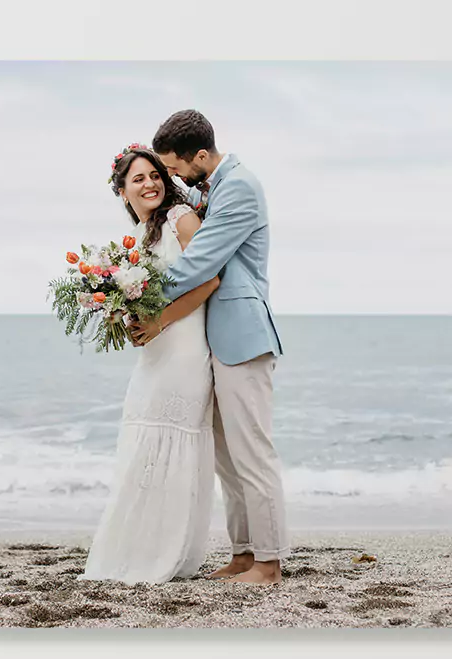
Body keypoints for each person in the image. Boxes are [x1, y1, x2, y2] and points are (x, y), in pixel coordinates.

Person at [136, 109, 288, 585]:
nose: (174, 176)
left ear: (200, 155)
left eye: (176, 167)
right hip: (214, 340)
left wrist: (141, 294)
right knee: (226, 457)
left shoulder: (239, 186)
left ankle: (269, 561)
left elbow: (201, 260)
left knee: (252, 453)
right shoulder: (213, 187)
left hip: (242, 336)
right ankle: (244, 554)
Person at [81, 146, 222, 584]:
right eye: (138, 179)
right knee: (141, 442)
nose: (150, 184)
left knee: (171, 445)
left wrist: (159, 320)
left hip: (183, 349)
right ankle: (135, 550)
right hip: (155, 353)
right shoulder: (139, 238)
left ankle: (164, 555)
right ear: (123, 192)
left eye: (155, 175)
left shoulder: (181, 217)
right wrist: (124, 314)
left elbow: (211, 279)